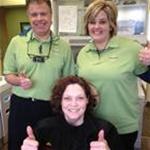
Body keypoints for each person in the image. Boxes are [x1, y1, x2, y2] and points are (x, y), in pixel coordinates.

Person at [76, 0, 150, 149]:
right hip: (91, 125)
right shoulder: (83, 53)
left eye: (102, 21)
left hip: (122, 128)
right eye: (92, 22)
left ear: (111, 24)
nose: (96, 27)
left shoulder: (131, 49)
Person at [3, 0, 74, 150]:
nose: (39, 18)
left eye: (43, 13)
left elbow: (69, 81)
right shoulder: (17, 42)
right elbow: (8, 74)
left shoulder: (63, 46)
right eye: (34, 14)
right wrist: (18, 81)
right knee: (19, 145)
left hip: (51, 107)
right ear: (28, 16)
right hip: (21, 106)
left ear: (51, 15)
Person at [21, 75, 122, 150]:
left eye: (80, 98)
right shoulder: (43, 129)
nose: (74, 104)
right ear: (60, 100)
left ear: (87, 99)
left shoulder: (106, 131)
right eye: (68, 98)